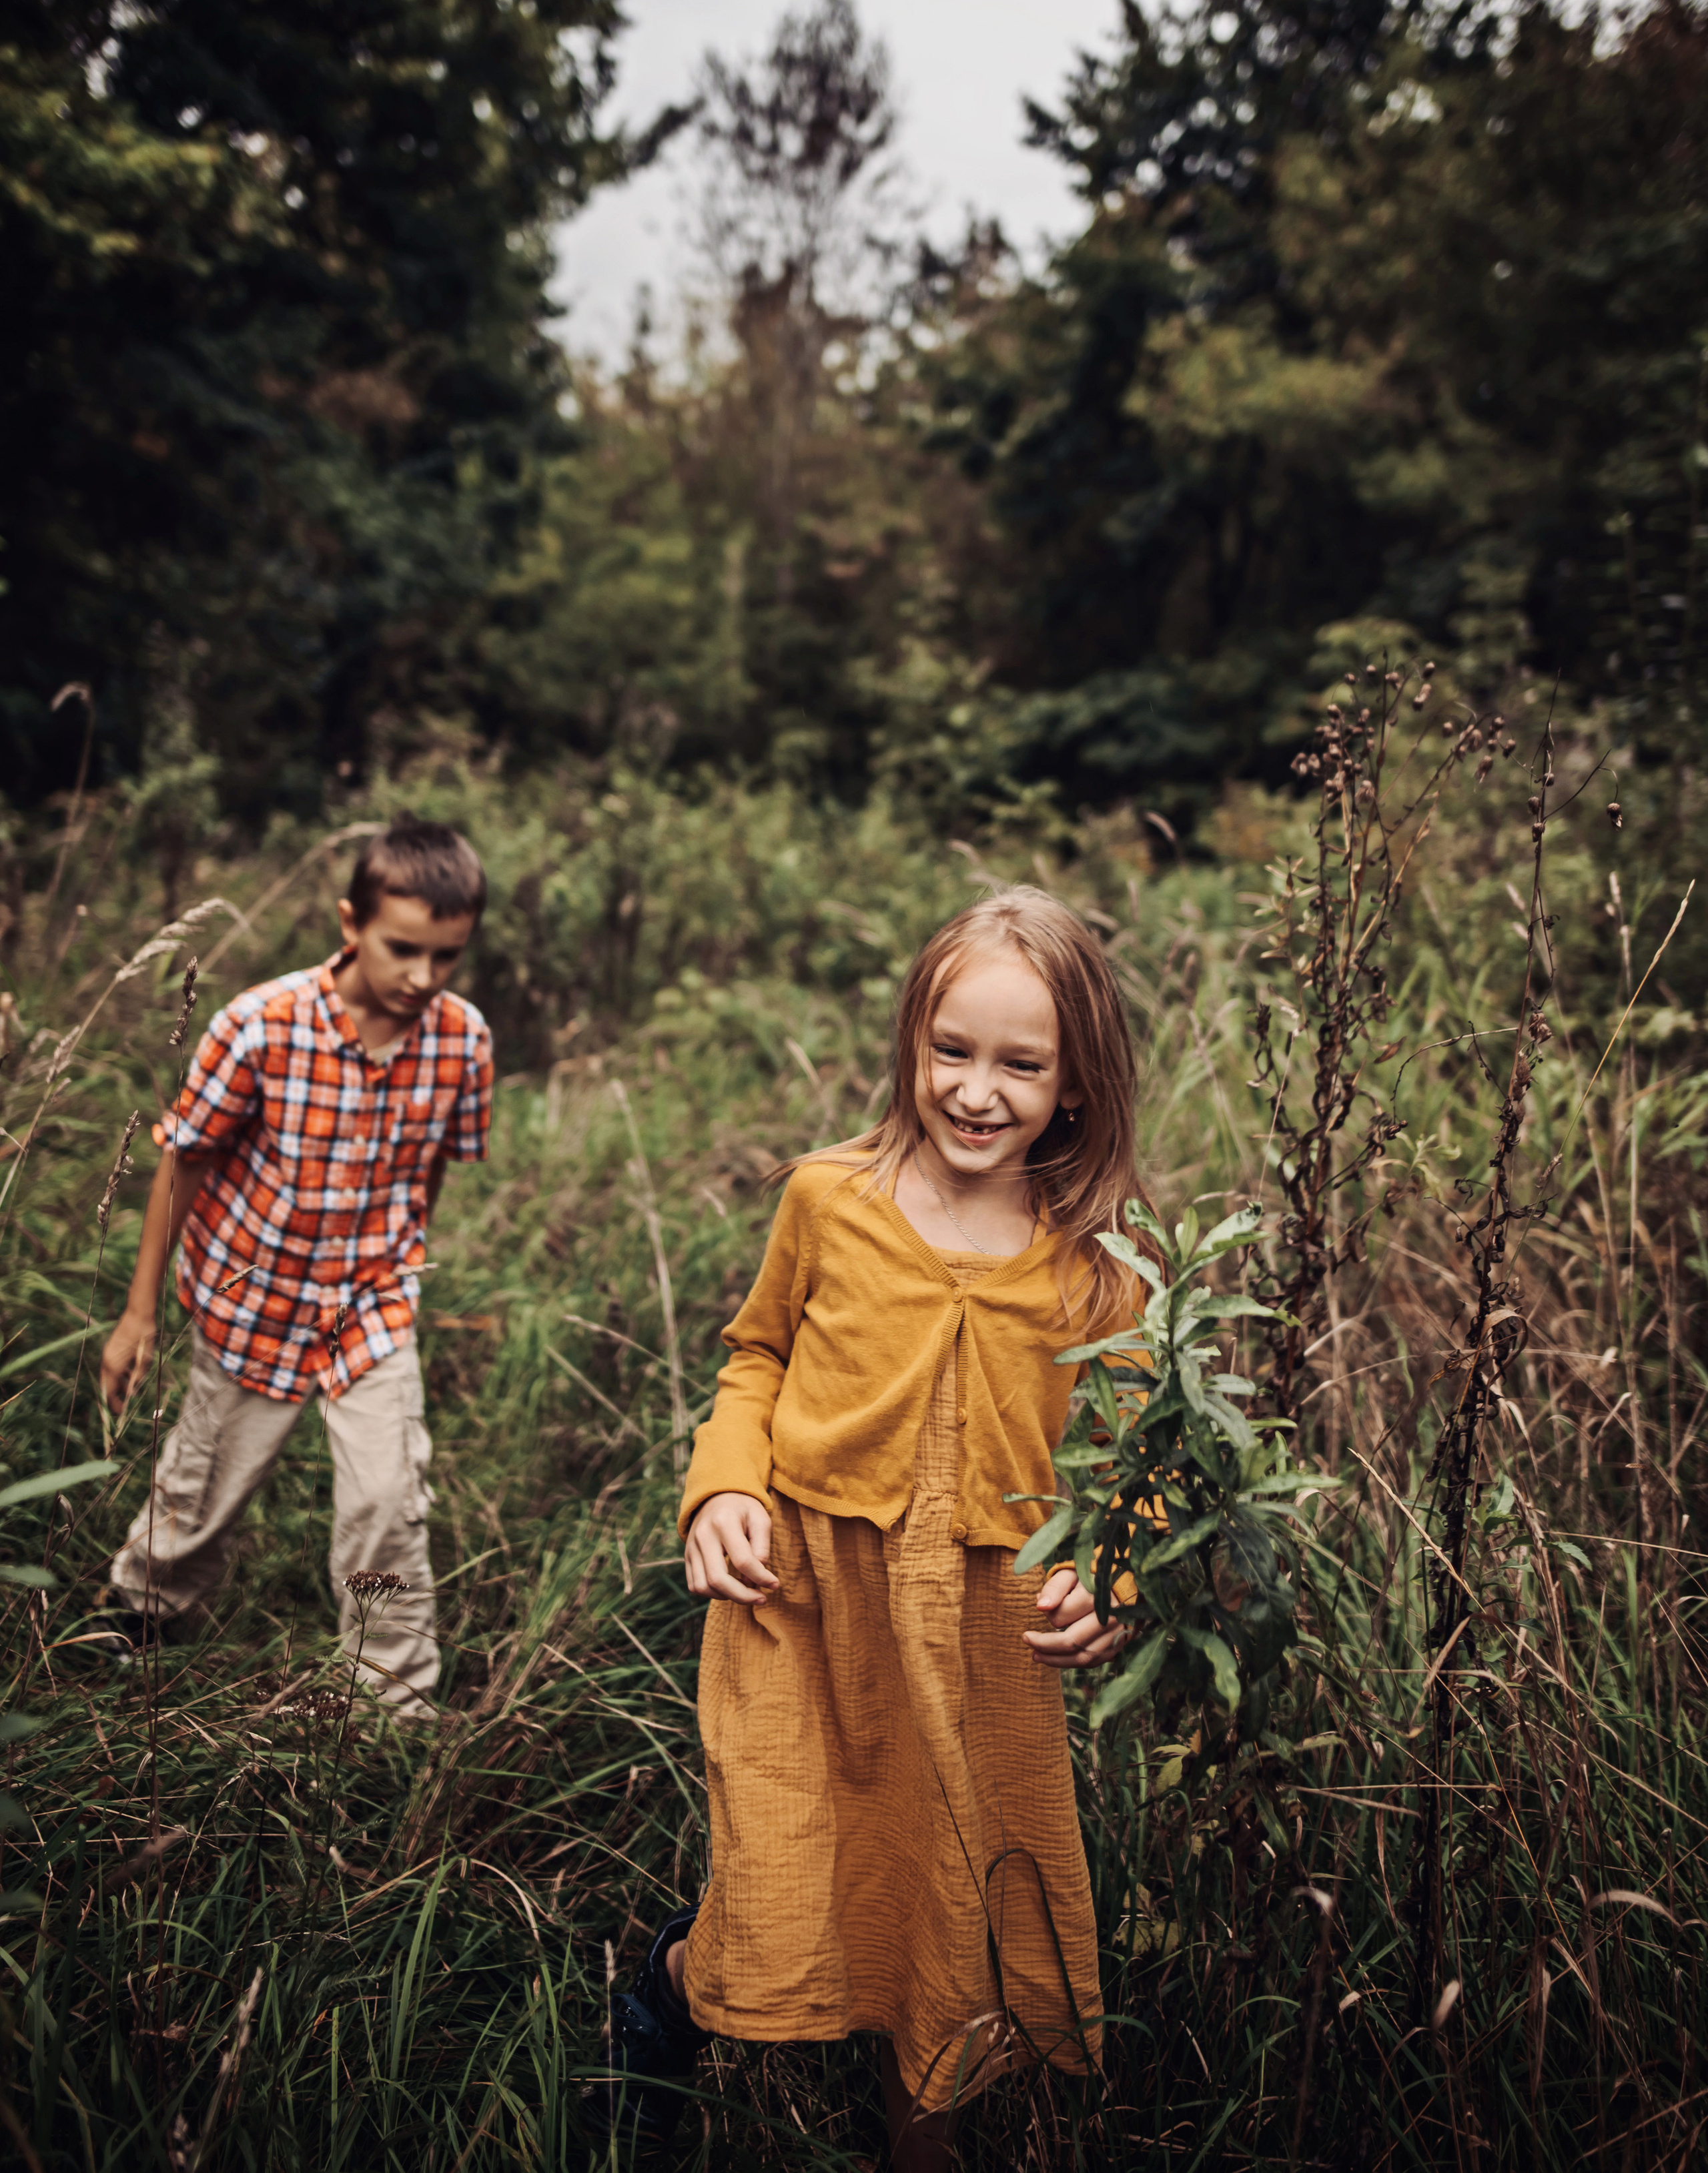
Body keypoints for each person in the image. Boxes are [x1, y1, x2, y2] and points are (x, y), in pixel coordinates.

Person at [594, 885, 1145, 2169]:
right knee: (780, 1867)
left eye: (1021, 1063)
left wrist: (1115, 1573)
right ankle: (670, 1992)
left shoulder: (1098, 1267)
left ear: (1076, 1084)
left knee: (952, 1887)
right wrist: (725, 1484)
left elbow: (1129, 1454)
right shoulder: (830, 1200)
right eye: (952, 1049)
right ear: (911, 1039)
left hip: (983, 1630)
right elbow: (757, 1357)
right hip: (806, 1595)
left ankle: (921, 2131)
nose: (975, 1088)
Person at [99, 816, 493, 1718]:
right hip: (253, 1297)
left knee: (388, 1499)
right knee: (204, 1485)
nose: (422, 978)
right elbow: (183, 1160)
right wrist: (140, 1311)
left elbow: (429, 1167)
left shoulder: (462, 1040)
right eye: (403, 949)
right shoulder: (262, 1024)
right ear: (351, 922)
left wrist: (404, 1261)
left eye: (447, 956)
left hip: (370, 1302)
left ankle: (389, 1695)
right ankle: (135, 1615)